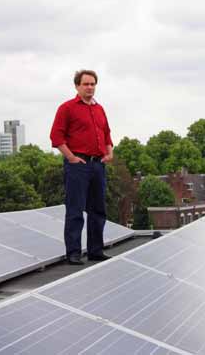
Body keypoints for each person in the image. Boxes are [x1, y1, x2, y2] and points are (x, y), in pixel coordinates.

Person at [49, 69, 114, 265]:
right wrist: (71, 158)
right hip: (78, 165)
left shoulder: (99, 109)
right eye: (86, 84)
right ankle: (74, 253)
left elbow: (107, 133)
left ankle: (95, 250)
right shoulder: (67, 108)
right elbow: (56, 137)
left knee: (98, 209)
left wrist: (109, 153)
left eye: (93, 84)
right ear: (77, 86)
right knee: (75, 209)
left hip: (98, 165)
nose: (90, 87)